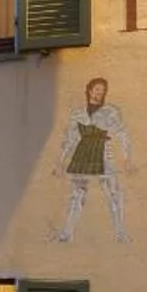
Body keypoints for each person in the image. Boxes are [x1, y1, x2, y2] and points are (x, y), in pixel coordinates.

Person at [53, 78, 131, 244]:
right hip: (83, 155)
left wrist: (126, 157)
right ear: (89, 90)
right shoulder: (78, 114)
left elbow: (122, 133)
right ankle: (67, 233)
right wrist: (60, 161)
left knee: (114, 194)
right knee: (77, 196)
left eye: (103, 90)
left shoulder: (111, 111)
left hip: (103, 155)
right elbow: (70, 138)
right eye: (97, 89)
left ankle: (121, 234)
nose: (100, 92)